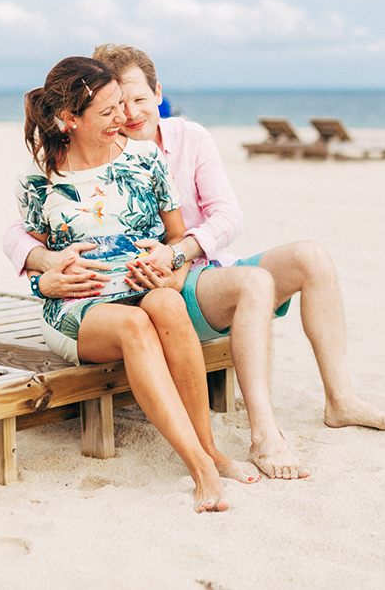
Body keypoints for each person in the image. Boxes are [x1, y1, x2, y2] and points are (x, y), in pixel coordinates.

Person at [4, 44, 385, 480]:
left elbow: (221, 217)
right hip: (122, 294)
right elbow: (26, 231)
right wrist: (43, 269)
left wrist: (176, 257)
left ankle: (332, 403)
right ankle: (242, 444)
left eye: (137, 100)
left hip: (189, 274)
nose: (128, 115)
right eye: (114, 106)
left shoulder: (178, 144)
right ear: (76, 116)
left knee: (304, 258)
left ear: (158, 93)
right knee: (230, 290)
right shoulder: (57, 168)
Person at [16, 56, 255, 513]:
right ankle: (199, 468)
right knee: (134, 326)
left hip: (143, 289)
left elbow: (176, 239)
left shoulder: (145, 159)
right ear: (70, 119)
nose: (123, 118)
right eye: (107, 112)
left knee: (166, 305)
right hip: (79, 310)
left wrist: (172, 272)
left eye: (123, 105)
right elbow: (36, 260)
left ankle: (208, 447)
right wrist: (45, 279)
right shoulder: (38, 181)